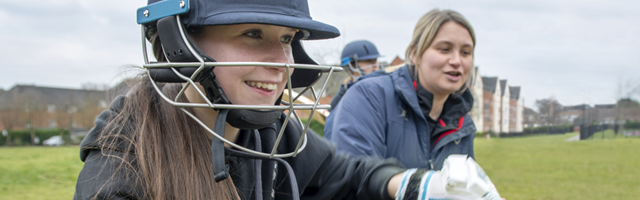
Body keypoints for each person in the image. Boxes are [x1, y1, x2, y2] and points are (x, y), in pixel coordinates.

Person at [73, 1, 501, 199]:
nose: (282, 63)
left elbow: (346, 172)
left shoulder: (274, 131)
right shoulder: (122, 167)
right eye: (252, 34)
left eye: (288, 40)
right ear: (180, 45)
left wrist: (416, 185)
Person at [325, 9, 478, 171]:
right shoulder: (368, 96)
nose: (457, 61)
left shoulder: (463, 123)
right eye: (444, 49)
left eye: (466, 52)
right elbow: (353, 180)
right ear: (414, 53)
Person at [329, 40, 386, 112]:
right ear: (352, 65)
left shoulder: (384, 90)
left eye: (376, 60)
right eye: (368, 60)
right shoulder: (339, 100)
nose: (375, 65)